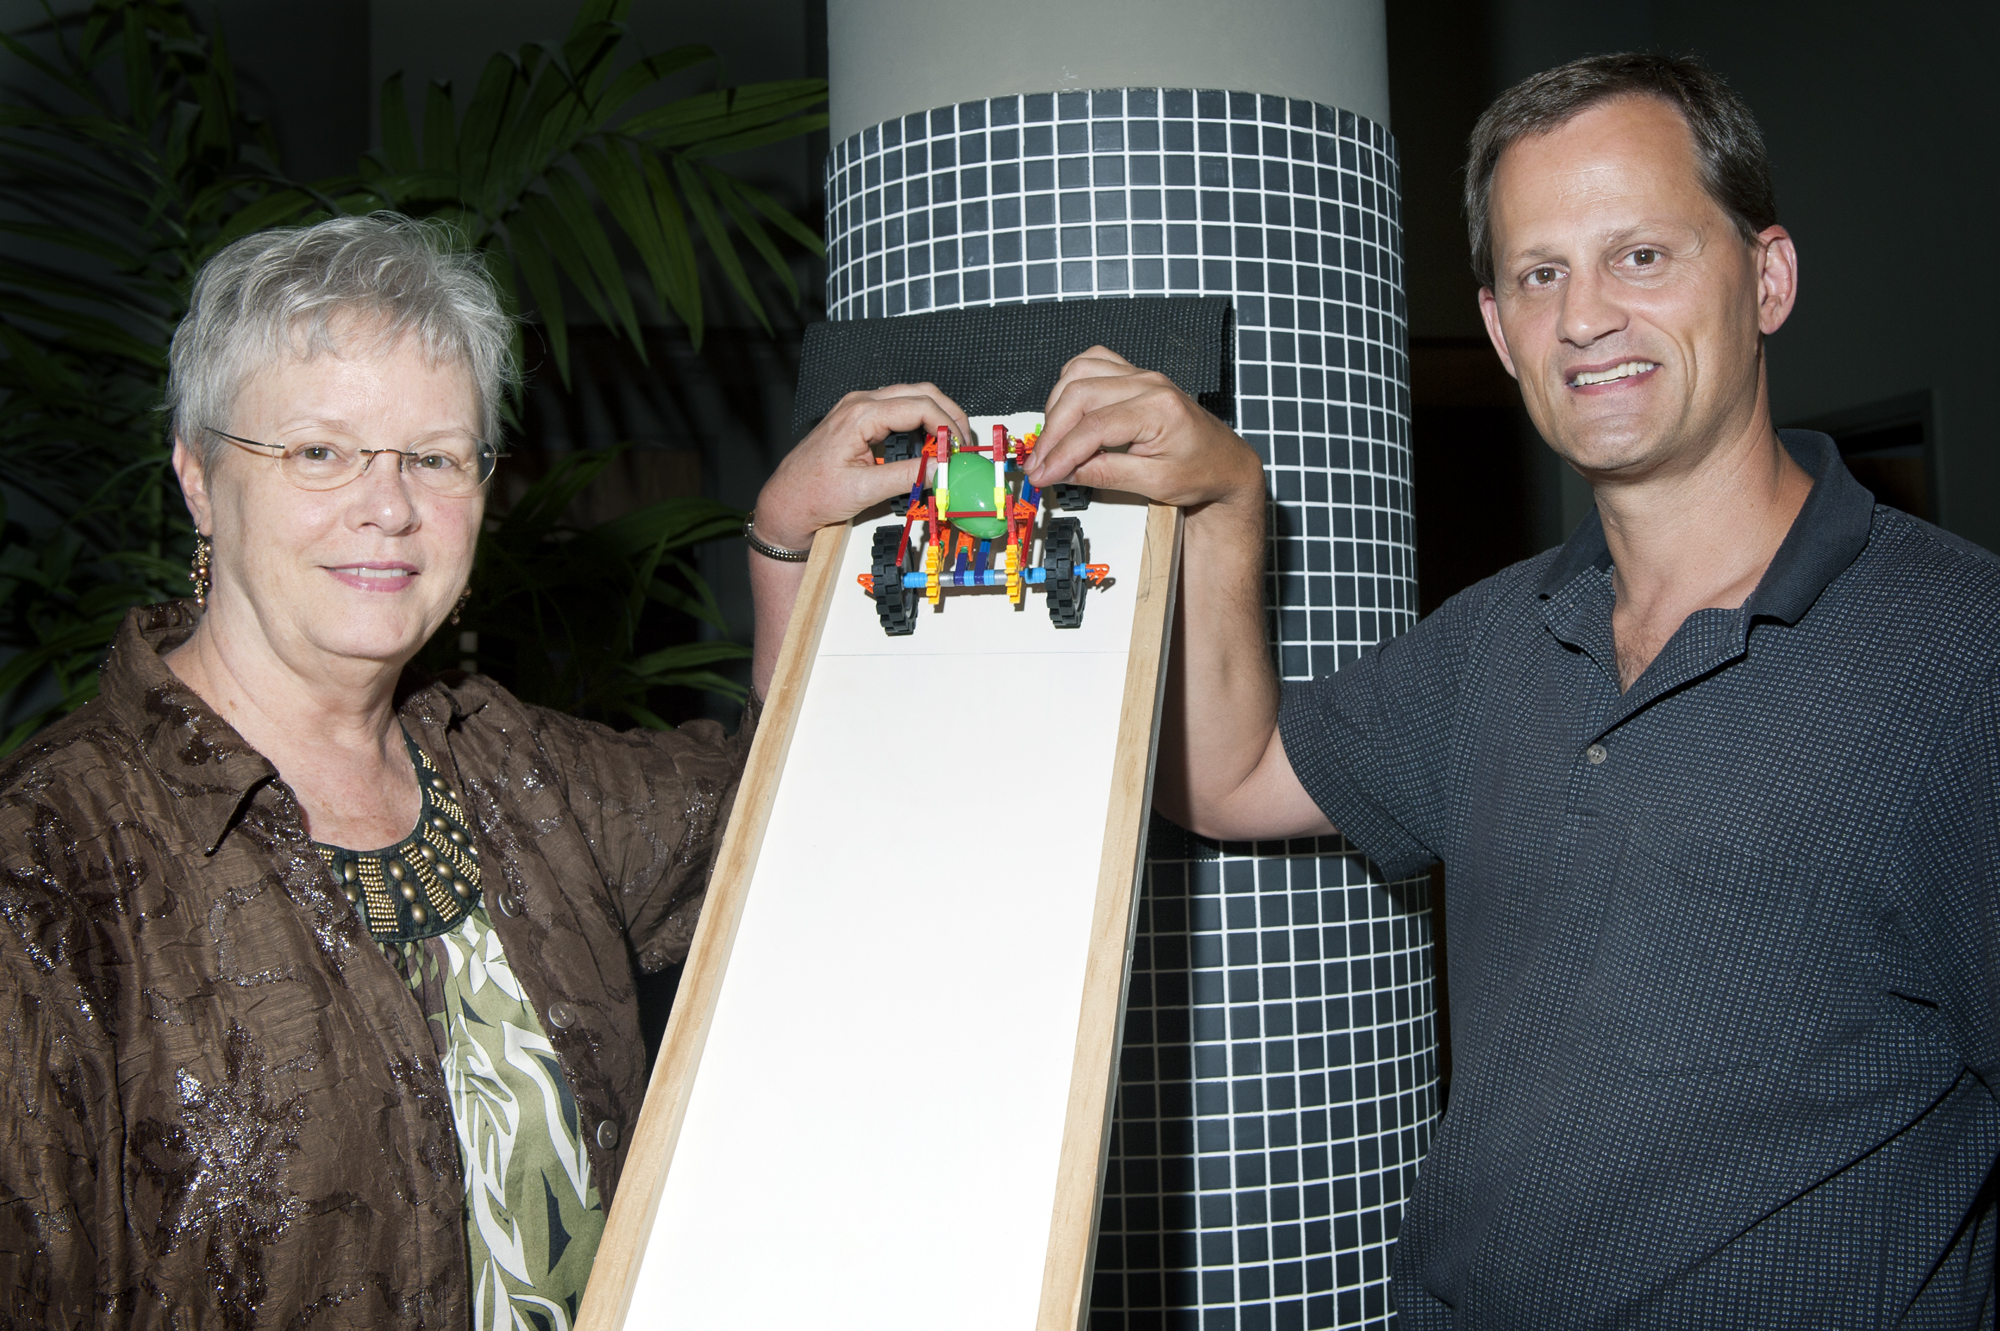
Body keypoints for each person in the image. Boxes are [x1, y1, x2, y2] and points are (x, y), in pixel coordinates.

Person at [1013, 54, 2000, 1325]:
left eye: (1638, 254)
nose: (1584, 315)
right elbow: (1228, 773)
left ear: (1766, 279)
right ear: (1497, 328)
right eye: (1541, 274)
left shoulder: (1961, 659)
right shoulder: (1492, 636)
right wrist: (1223, 506)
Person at [0, 213, 963, 1329]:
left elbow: (786, 804)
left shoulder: (508, 765)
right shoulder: (51, 863)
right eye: (319, 450)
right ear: (200, 479)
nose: (390, 503)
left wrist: (785, 537)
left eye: (436, 455)